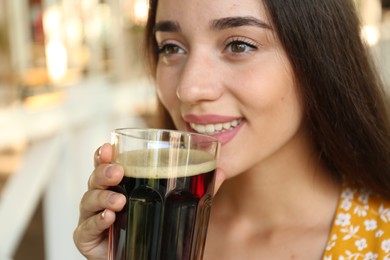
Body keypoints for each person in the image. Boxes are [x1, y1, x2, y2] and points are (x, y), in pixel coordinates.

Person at [73, 0, 390, 259]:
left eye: (239, 45)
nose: (189, 88)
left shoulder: (381, 238)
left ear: (320, 56)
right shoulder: (154, 229)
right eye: (171, 47)